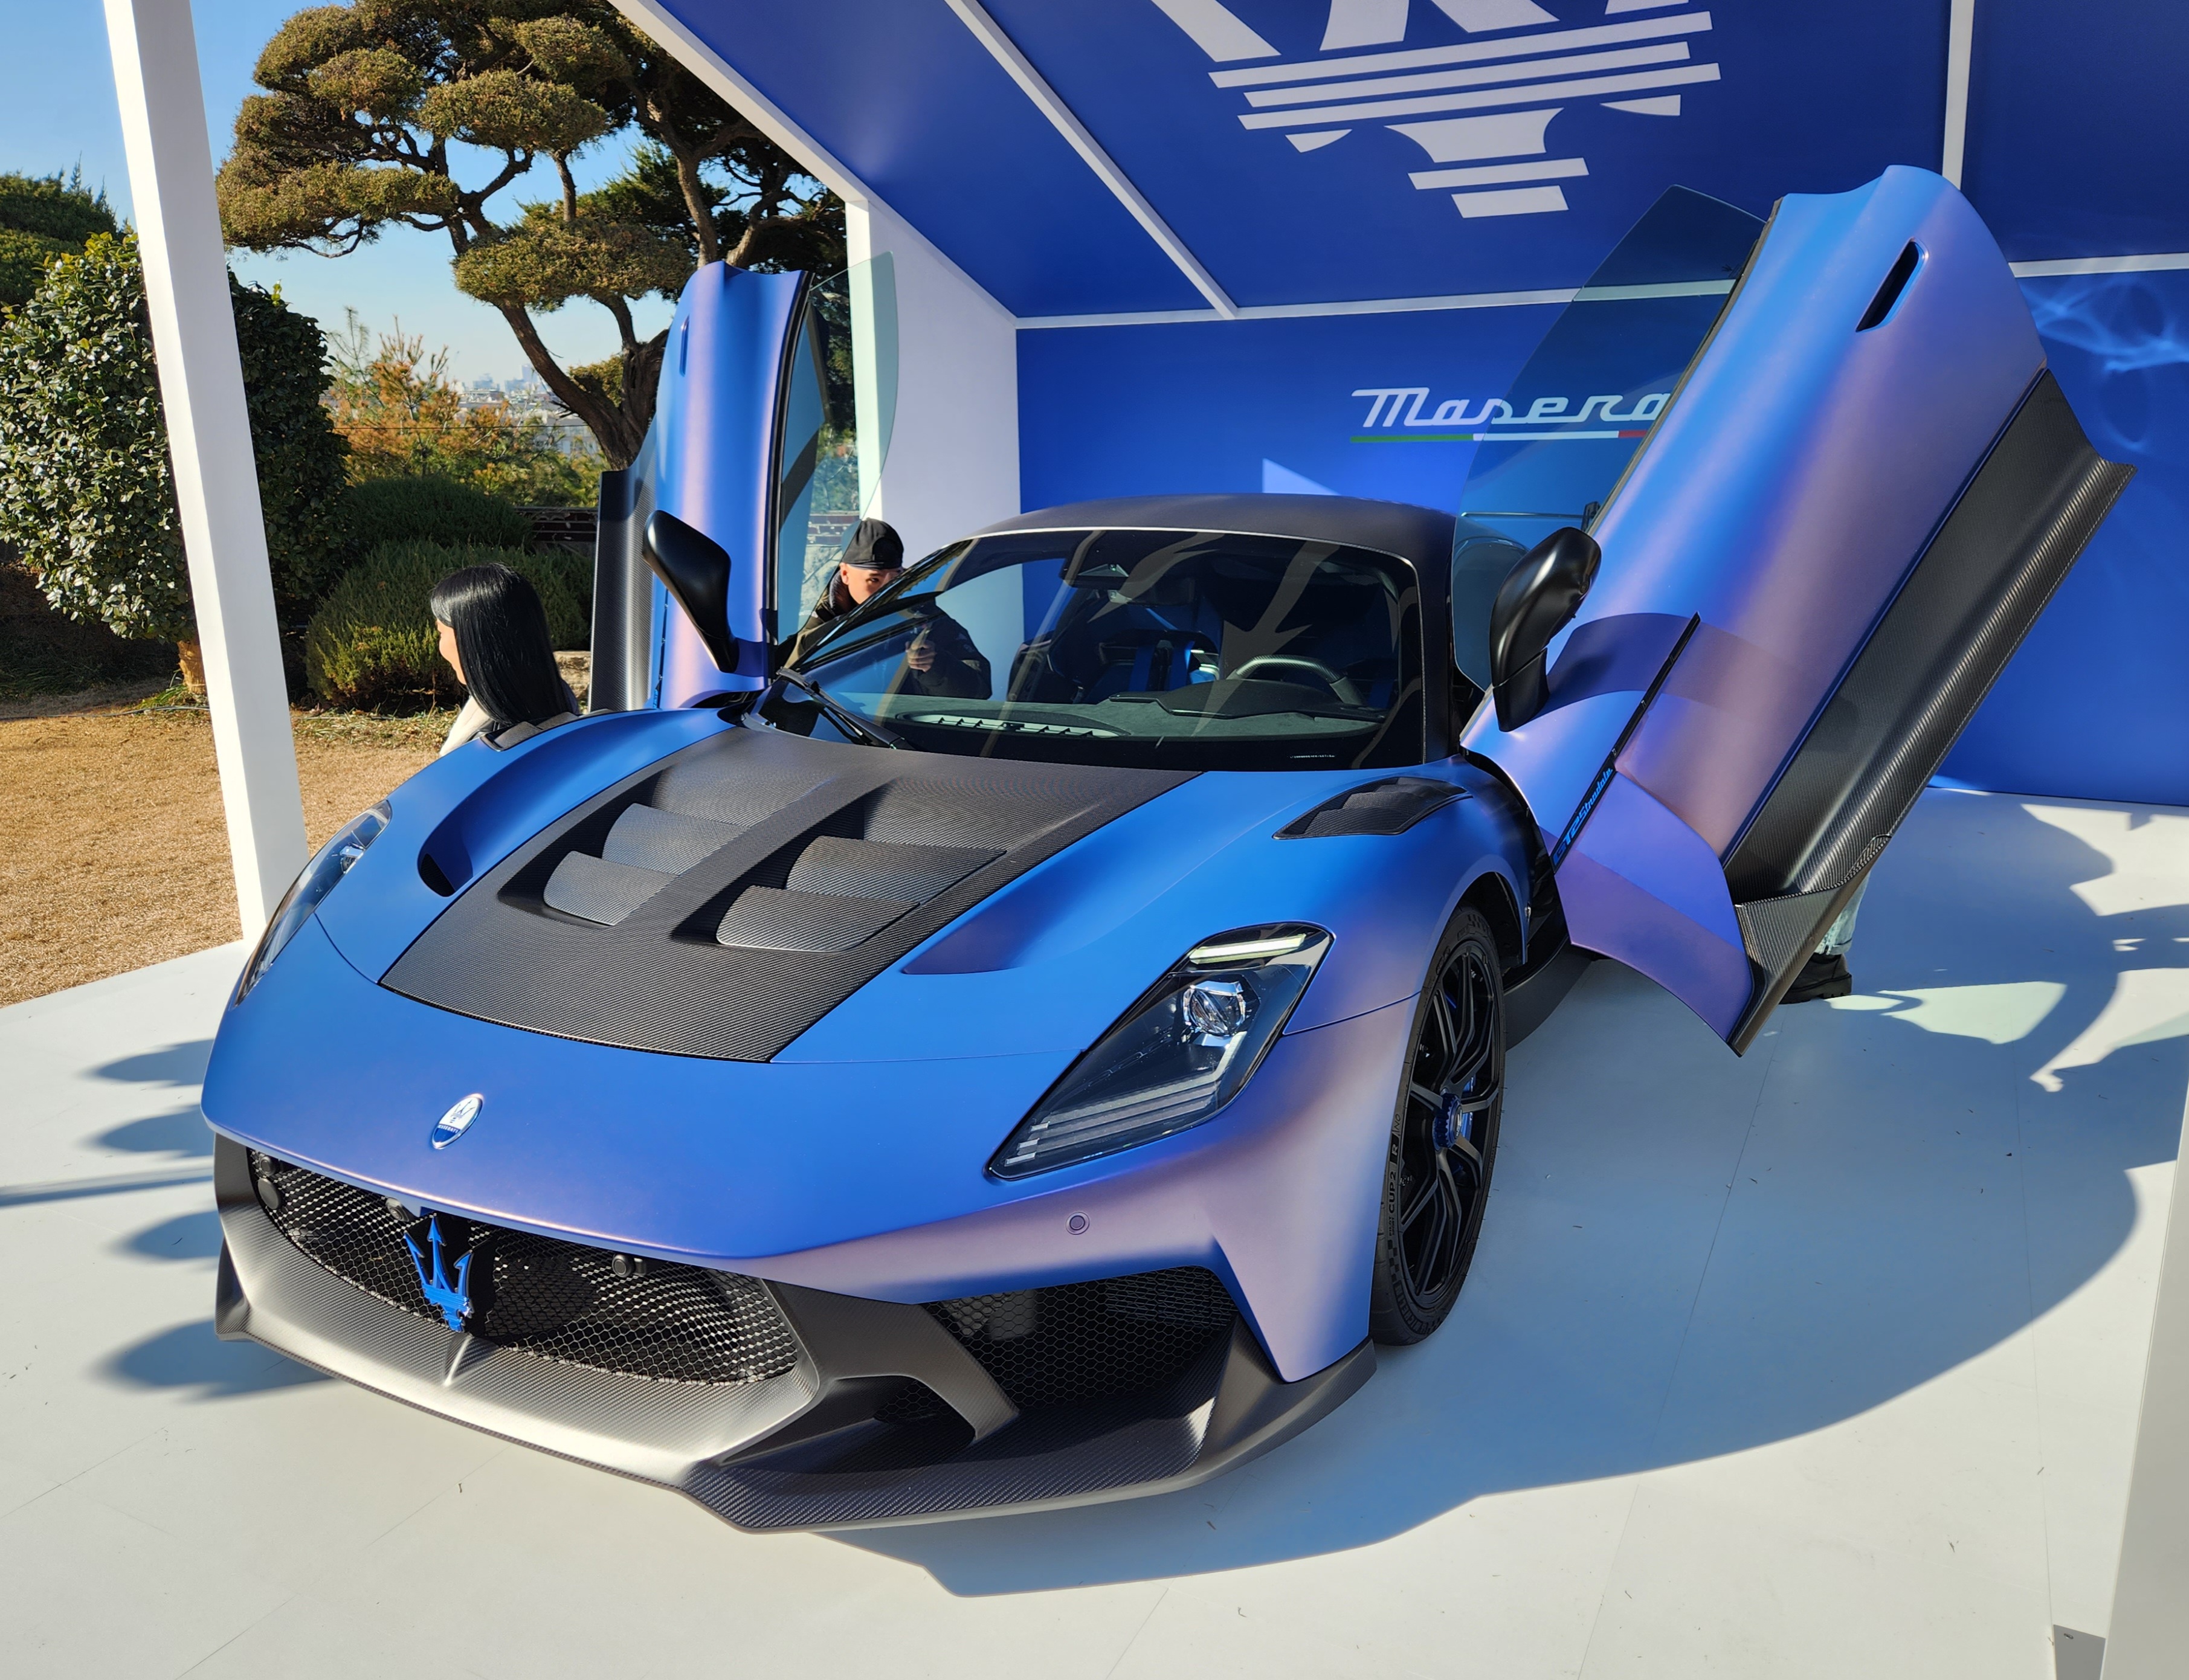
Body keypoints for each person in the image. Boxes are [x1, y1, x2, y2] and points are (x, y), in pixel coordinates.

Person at [784, 517, 990, 699]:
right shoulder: (811, 622)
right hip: (834, 728)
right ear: (845, 574)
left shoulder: (922, 615)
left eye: (895, 579)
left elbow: (978, 691)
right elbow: (786, 685)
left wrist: (936, 665)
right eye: (874, 580)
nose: (887, 591)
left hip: (899, 729)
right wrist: (851, 627)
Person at [432, 564, 579, 755]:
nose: (440, 648)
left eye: (441, 632)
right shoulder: (563, 707)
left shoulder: (488, 747)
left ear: (474, 642)